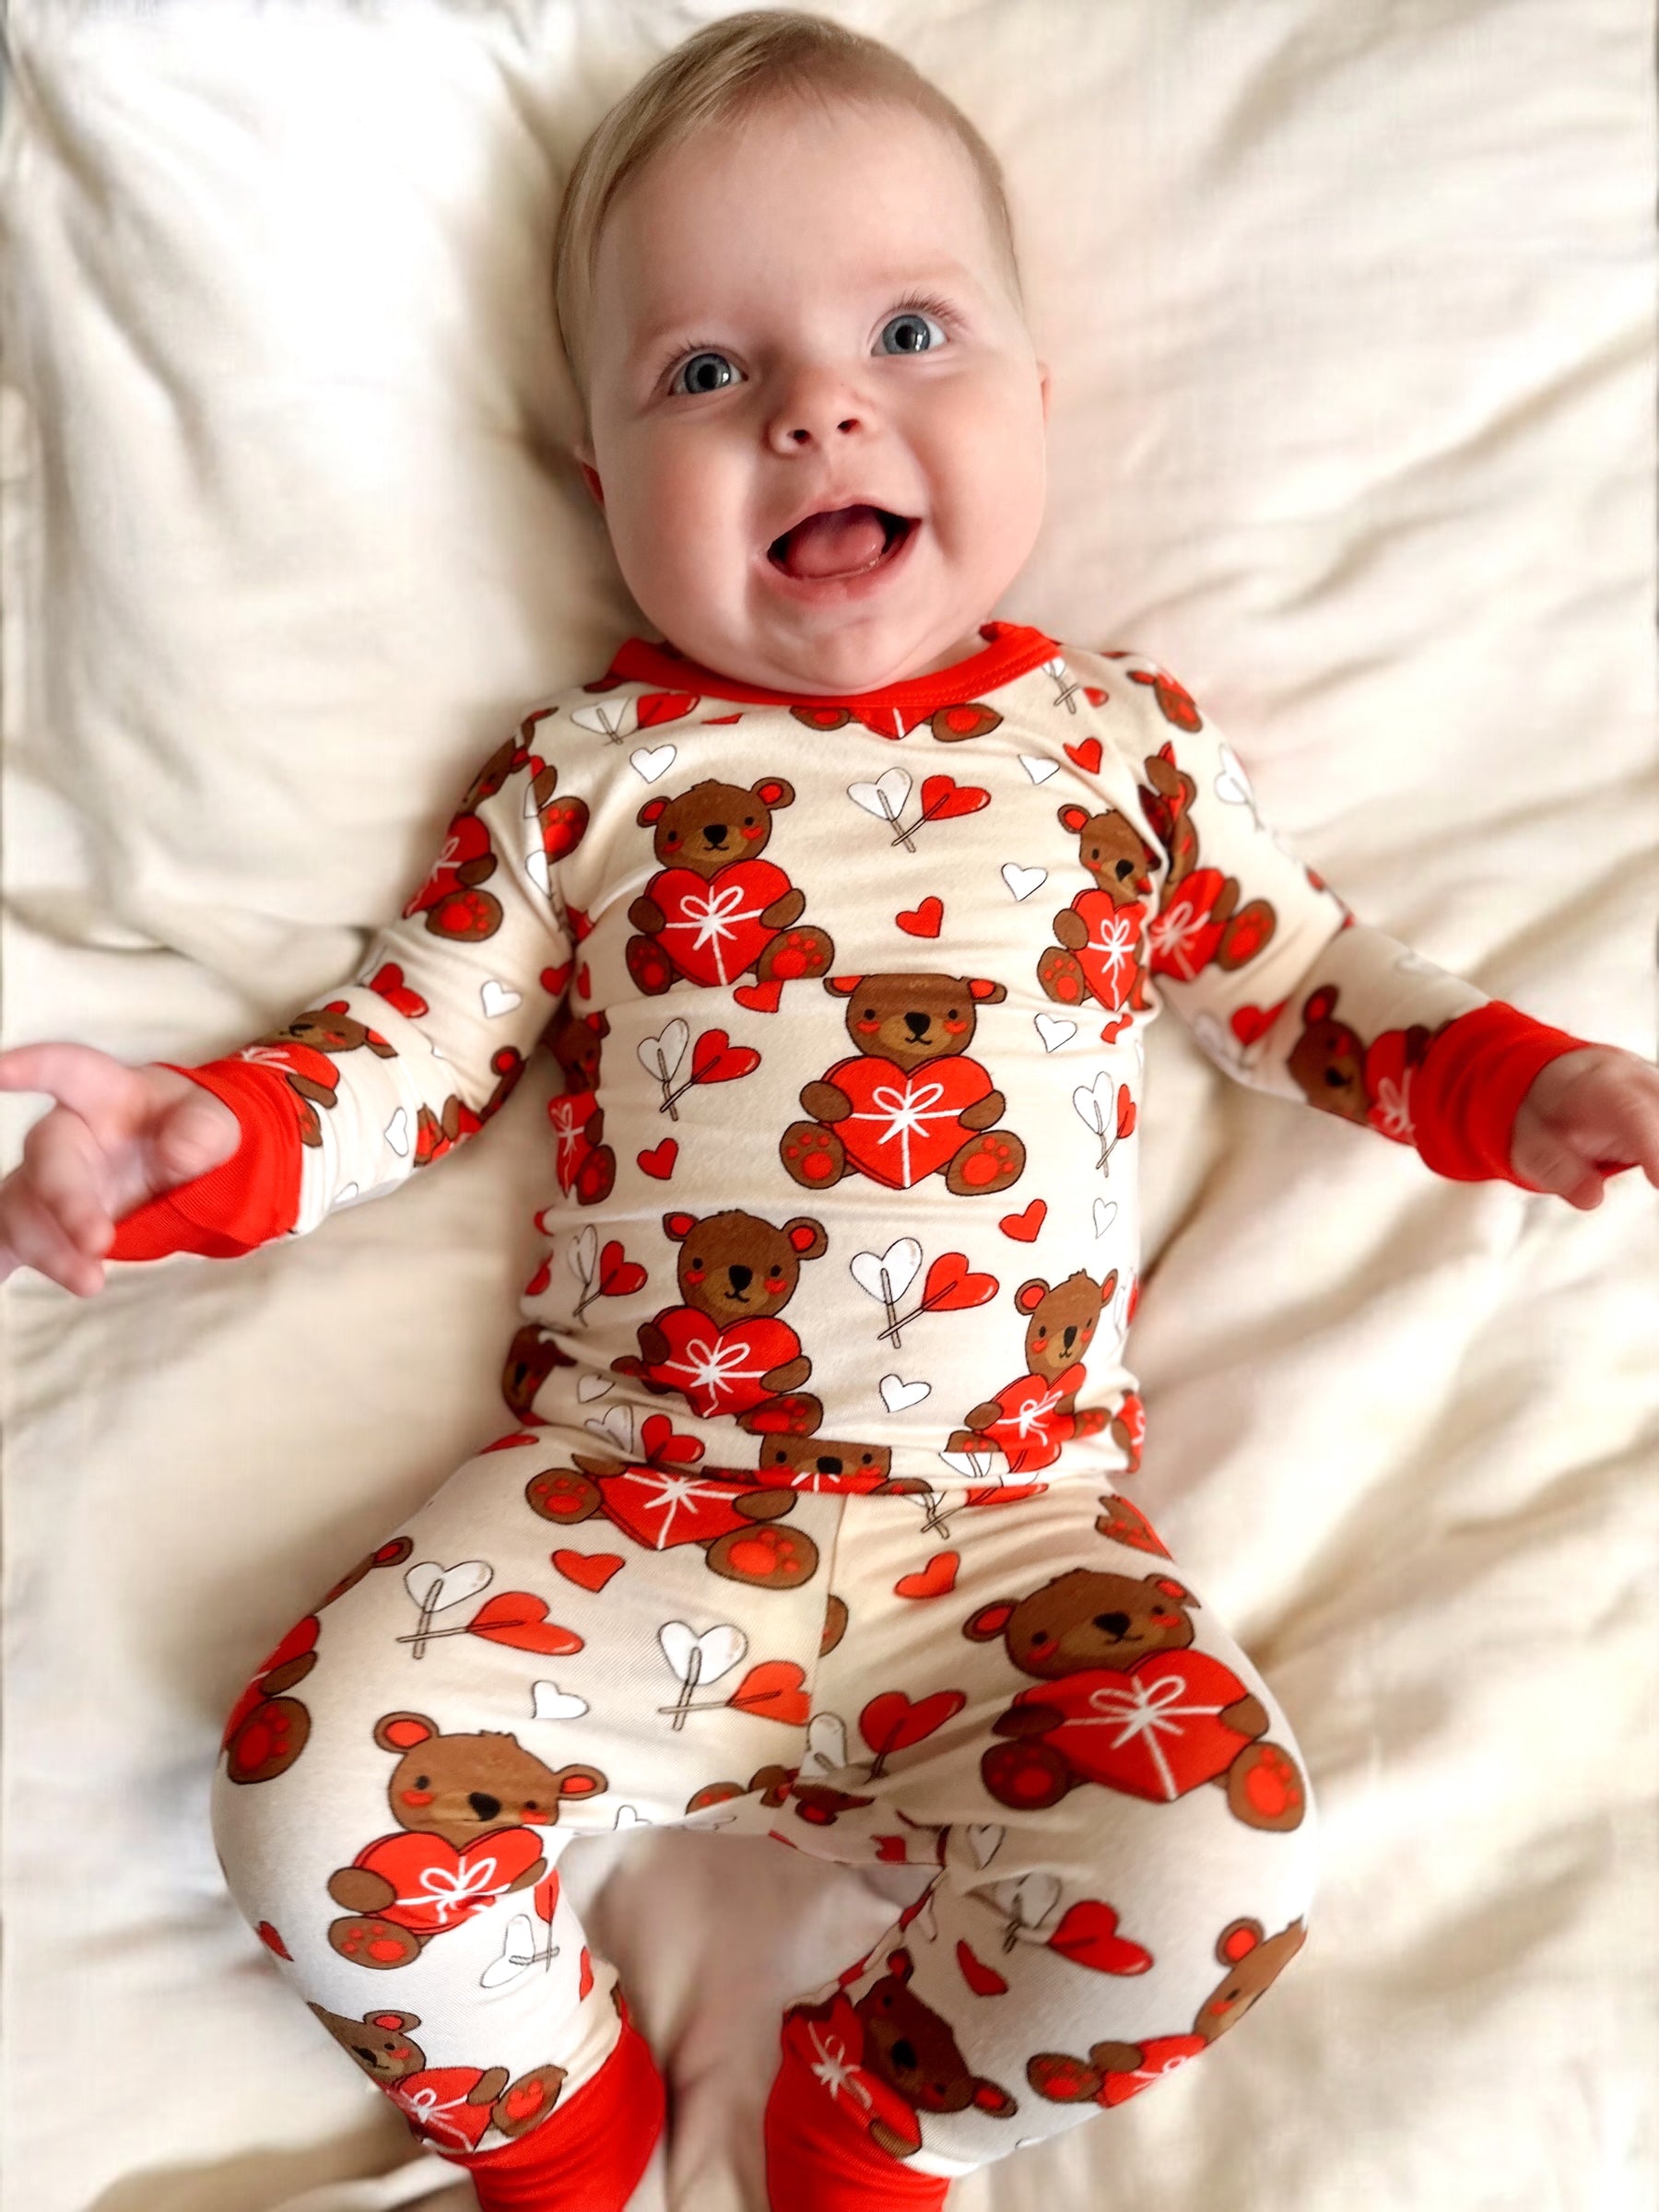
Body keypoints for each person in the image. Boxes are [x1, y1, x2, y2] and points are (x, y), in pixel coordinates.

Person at [2, 13, 1654, 2212]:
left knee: (1212, 1870)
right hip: (618, 1501)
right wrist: (198, 1150)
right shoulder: (588, 779)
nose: (815, 405)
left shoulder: (1115, 750)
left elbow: (1307, 979)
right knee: (306, 1802)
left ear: (1039, 403)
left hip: (1014, 1546)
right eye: (705, 374)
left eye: (906, 331)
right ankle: (548, 2107)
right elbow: (406, 1047)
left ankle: (885, 2105)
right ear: (601, 484)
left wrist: (1515, 1084)